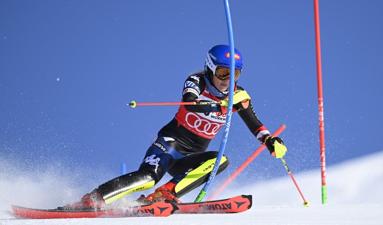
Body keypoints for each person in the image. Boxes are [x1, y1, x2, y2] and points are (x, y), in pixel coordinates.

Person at [68, 44, 287, 209]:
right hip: (169, 144)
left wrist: (270, 141)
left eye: (235, 73)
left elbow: (255, 124)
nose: (227, 79)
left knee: (221, 160)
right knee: (148, 178)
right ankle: (92, 199)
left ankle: (164, 195)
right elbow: (190, 103)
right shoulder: (196, 80)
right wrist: (216, 104)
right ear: (210, 69)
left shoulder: (239, 96)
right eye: (222, 72)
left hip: (191, 158)